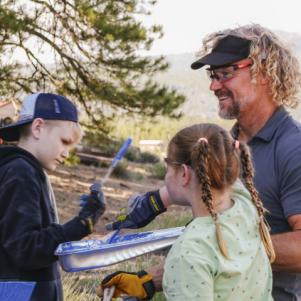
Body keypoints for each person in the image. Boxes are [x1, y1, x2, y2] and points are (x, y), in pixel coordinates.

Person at [101, 24, 301, 300]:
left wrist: (196, 252)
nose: (214, 85)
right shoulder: (226, 144)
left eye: (226, 74)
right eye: (212, 75)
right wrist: (147, 211)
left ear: (264, 72)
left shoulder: (293, 147)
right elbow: (201, 209)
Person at [101, 123, 275, 300]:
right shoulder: (245, 203)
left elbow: (193, 262)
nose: (166, 176)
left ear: (184, 173)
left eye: (168, 167)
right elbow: (220, 166)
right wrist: (148, 282)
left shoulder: (188, 252)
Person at [0, 92, 106, 301]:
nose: (67, 153)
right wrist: (79, 226)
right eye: (64, 141)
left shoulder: (30, 170)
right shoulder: (20, 172)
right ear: (37, 127)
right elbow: (26, 249)